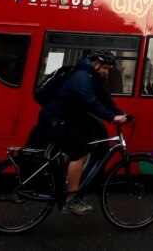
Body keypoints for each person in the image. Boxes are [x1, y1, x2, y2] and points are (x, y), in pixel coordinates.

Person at [30, 50, 129, 215]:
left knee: (89, 140)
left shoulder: (94, 78)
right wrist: (112, 118)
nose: (107, 71)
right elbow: (90, 101)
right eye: (104, 67)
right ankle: (72, 200)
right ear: (95, 64)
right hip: (56, 120)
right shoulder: (81, 77)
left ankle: (66, 176)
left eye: (108, 68)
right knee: (79, 153)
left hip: (67, 119)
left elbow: (105, 100)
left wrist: (122, 114)